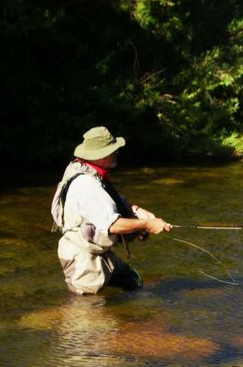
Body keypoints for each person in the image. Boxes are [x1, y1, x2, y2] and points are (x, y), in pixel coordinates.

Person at [50, 126, 172, 294]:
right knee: (87, 312)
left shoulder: (89, 170)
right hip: (82, 258)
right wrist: (147, 224)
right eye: (112, 150)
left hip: (98, 252)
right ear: (100, 156)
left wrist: (137, 210)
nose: (116, 153)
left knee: (133, 281)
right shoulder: (87, 184)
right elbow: (113, 225)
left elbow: (111, 198)